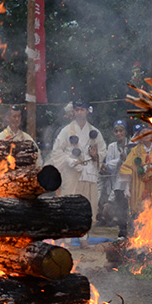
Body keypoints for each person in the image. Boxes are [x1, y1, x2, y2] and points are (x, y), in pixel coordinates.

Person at [50, 100, 106, 245]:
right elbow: (57, 150)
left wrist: (95, 155)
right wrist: (68, 160)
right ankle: (66, 238)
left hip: (88, 172)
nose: (80, 112)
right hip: (71, 172)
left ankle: (84, 238)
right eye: (77, 109)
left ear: (87, 111)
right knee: (69, 204)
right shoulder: (66, 131)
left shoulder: (95, 131)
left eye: (82, 109)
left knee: (87, 205)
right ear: (73, 112)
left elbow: (102, 150)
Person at [119, 124, 152, 231]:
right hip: (140, 184)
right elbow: (126, 167)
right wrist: (127, 187)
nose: (145, 135)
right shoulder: (135, 151)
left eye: (148, 132)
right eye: (142, 133)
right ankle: (141, 235)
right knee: (141, 212)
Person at [100, 120, 131, 233]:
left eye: (121, 131)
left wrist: (126, 157)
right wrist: (120, 159)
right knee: (120, 206)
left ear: (125, 132)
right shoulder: (112, 146)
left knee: (130, 206)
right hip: (117, 181)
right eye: (116, 131)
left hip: (130, 181)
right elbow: (109, 164)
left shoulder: (131, 144)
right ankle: (122, 231)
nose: (118, 133)